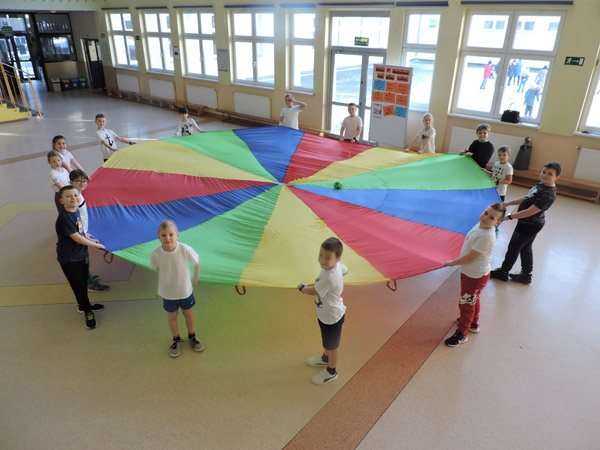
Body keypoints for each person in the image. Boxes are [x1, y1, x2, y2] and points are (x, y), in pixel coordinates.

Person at [444, 203, 506, 347]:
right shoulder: (480, 226)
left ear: (497, 223)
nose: (485, 218)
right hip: (470, 272)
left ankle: (462, 333)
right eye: (485, 213)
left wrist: (453, 262)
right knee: (472, 299)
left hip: (475, 275)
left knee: (466, 303)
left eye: (491, 218)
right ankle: (473, 323)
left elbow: (472, 257)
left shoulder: (486, 237)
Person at [490, 162, 561, 285]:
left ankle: (503, 271)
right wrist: (508, 204)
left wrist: (508, 217)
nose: (544, 175)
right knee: (525, 247)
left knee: (514, 247)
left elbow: (529, 212)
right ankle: (526, 275)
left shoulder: (548, 194)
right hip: (531, 224)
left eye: (550, 174)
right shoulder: (542, 185)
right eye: (543, 172)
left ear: (557, 177)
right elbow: (527, 197)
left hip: (529, 225)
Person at [298, 237, 348, 385]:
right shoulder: (335, 267)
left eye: (328, 258)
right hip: (327, 314)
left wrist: (301, 288)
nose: (323, 260)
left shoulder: (329, 277)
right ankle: (325, 359)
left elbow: (313, 291)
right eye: (321, 255)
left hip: (332, 317)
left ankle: (331, 372)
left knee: (333, 346)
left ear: (337, 258)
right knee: (328, 342)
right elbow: (346, 270)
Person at [150, 219, 203, 358]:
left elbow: (197, 261)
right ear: (158, 237)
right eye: (163, 235)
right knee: (172, 316)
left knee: (188, 313)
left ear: (177, 235)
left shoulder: (184, 249)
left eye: (170, 234)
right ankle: (176, 339)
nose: (167, 238)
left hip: (184, 290)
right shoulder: (156, 253)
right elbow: (158, 268)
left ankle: (192, 336)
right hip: (168, 292)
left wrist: (195, 277)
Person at [55, 185, 106, 330]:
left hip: (81, 254)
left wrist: (89, 237)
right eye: (69, 196)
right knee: (79, 287)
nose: (73, 198)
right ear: (62, 200)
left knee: (83, 282)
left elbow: (80, 230)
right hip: (70, 259)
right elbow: (76, 238)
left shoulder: (75, 211)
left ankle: (83, 305)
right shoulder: (64, 217)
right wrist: (94, 245)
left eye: (75, 195)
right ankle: (87, 311)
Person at [69, 169, 110, 294]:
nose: (82, 183)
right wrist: (86, 238)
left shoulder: (78, 194)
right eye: (78, 181)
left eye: (84, 181)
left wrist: (85, 233)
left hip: (81, 233)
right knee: (83, 260)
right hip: (77, 236)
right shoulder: (74, 198)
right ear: (71, 182)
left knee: (84, 259)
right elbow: (74, 220)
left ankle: (89, 278)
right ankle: (90, 283)